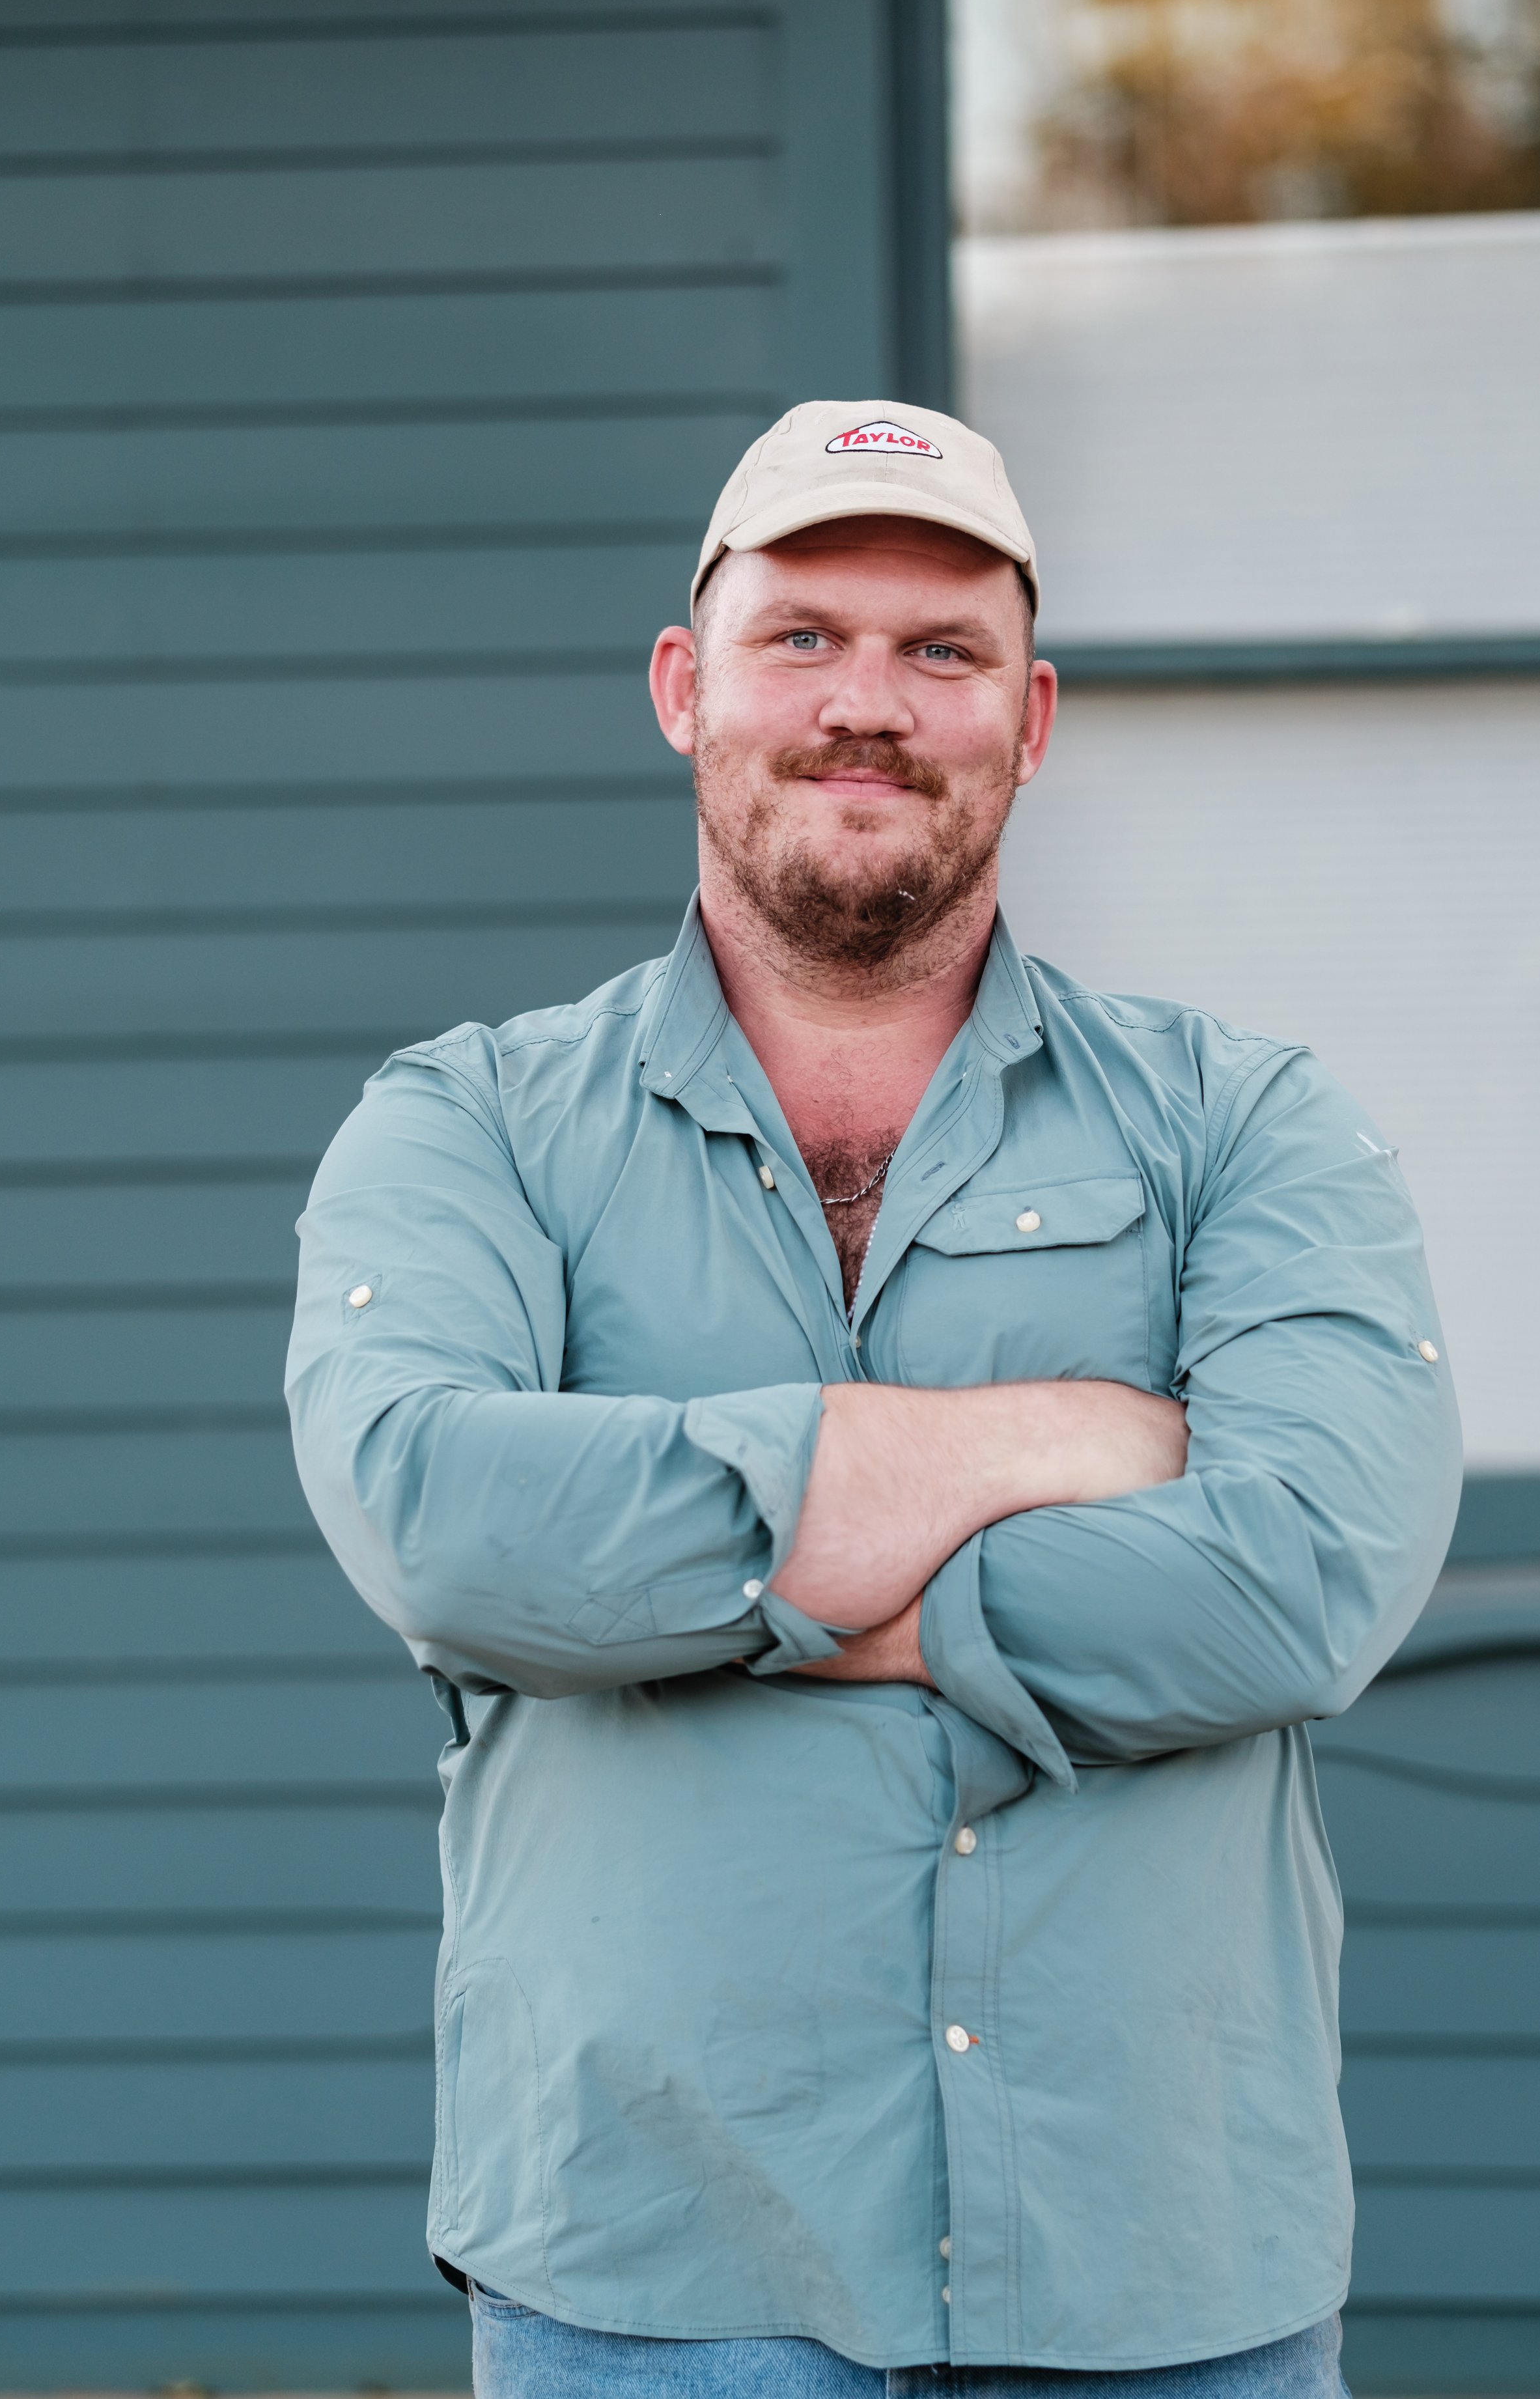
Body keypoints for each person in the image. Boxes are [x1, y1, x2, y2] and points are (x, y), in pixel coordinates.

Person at [287, 401, 1461, 2398]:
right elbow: (448, 1530)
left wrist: (700, 1598)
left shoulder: (1244, 1123)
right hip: (650, 2273)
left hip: (1158, 2280)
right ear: (686, 688)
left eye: (941, 653)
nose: (867, 705)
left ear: (1031, 716)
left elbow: (1299, 1580)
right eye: (803, 635)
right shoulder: (468, 1122)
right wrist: (1061, 1453)